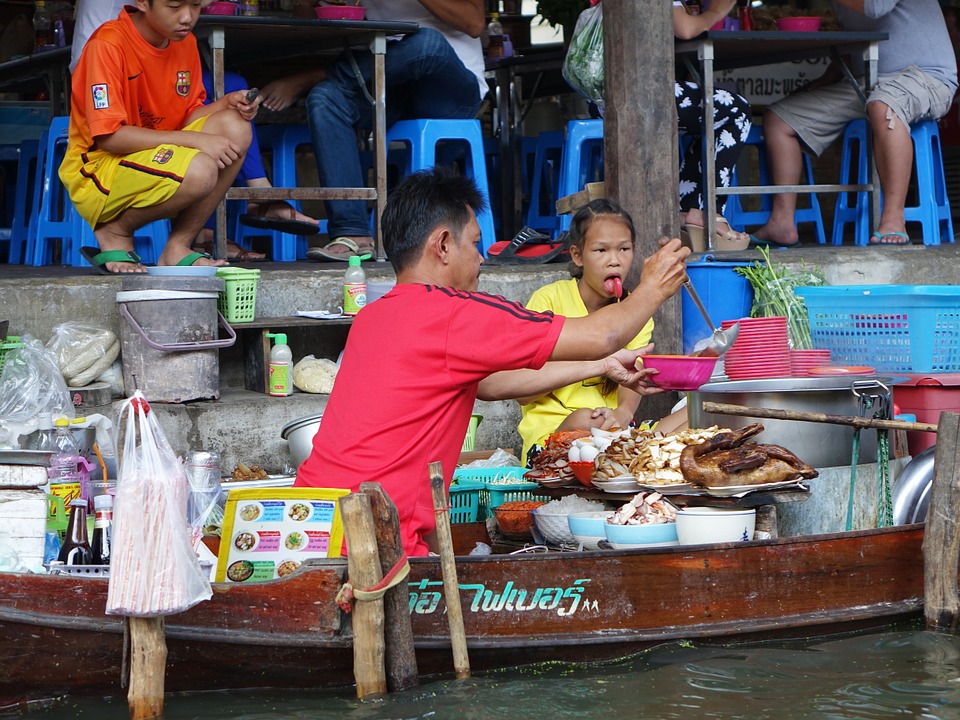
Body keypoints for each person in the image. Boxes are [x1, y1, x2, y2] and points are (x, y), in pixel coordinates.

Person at [294, 168, 691, 556]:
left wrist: (601, 366)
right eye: (475, 244)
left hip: (307, 525)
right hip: (368, 545)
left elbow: (492, 384)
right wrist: (652, 286)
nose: (482, 259)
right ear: (443, 244)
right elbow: (603, 335)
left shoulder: (372, 317)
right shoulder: (454, 313)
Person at [68, 0, 318, 262]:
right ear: (142, 2)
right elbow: (109, 137)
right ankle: (116, 231)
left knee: (236, 126)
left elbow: (186, 117)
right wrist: (195, 141)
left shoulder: (184, 43)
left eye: (196, 5)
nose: (187, 17)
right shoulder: (107, 44)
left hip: (150, 155)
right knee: (201, 169)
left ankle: (178, 247)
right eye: (174, 6)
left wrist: (225, 103)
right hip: (100, 168)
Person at [269, 0, 487, 261]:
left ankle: (316, 75)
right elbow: (305, 19)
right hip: (390, 81)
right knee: (325, 98)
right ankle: (353, 234)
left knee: (428, 43)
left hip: (449, 87)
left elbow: (475, 23)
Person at [751, 0, 958, 247]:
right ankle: (782, 222)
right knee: (779, 119)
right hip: (867, 80)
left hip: (926, 77)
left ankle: (893, 218)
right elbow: (858, 37)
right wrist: (829, 77)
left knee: (883, 106)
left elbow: (875, 8)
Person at [517, 199, 687, 462]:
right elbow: (522, 389)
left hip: (615, 432)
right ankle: (641, 458)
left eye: (624, 249)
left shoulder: (634, 311)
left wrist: (622, 414)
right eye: (601, 250)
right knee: (585, 418)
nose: (614, 261)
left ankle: (639, 458)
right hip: (555, 437)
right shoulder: (549, 301)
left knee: (704, 413)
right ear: (577, 255)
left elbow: (633, 378)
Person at [672, 0, 754, 248]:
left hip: (599, 97)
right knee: (736, 109)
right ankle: (709, 212)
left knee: (709, 115)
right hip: (638, 95)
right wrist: (716, 11)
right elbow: (685, 28)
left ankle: (688, 211)